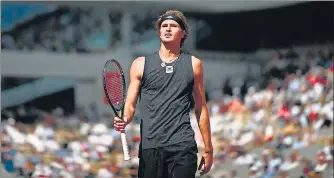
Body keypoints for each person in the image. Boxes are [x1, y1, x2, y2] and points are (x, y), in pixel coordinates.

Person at [114, 9, 213, 178]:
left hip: (182, 144)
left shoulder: (194, 64)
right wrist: (124, 119)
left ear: (183, 33)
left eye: (173, 26)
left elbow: (201, 108)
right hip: (150, 146)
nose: (167, 29)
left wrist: (208, 150)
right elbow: (130, 104)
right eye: (164, 26)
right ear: (159, 32)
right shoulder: (140, 64)